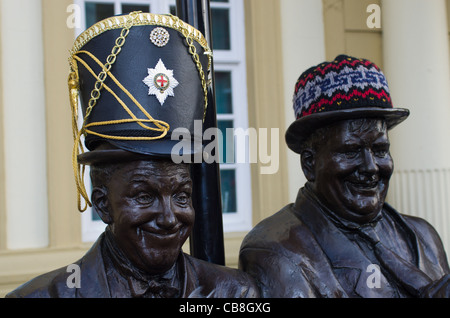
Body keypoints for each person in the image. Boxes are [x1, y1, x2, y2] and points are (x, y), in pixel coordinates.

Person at [6, 12, 258, 298]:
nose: (168, 218)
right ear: (102, 204)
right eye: (144, 196)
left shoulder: (235, 293)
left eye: (181, 196)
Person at [239, 54, 450, 298]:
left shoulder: (423, 235)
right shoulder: (276, 252)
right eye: (351, 151)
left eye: (380, 150)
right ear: (310, 163)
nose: (371, 167)